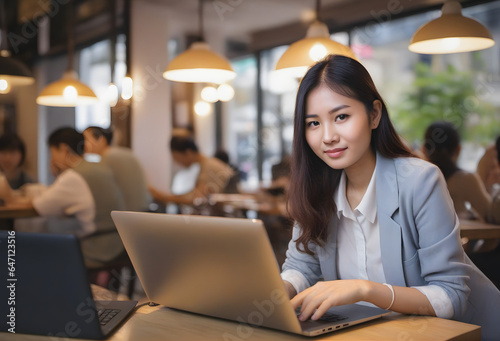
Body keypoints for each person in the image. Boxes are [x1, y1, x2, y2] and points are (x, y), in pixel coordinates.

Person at [280, 54, 500, 340]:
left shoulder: (420, 181)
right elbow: (301, 267)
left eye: (341, 117)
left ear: (374, 115)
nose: (328, 136)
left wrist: (365, 289)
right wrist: (274, 292)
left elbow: (451, 294)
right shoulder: (315, 188)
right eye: (313, 123)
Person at [15, 127, 125, 265]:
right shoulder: (97, 168)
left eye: (52, 153)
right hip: (117, 242)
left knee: (35, 237)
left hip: (96, 246)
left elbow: (39, 206)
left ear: (64, 149)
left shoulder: (73, 176)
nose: (52, 159)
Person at [422, 121, 500, 224]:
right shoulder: (465, 179)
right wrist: (485, 178)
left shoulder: (416, 179)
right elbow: (491, 216)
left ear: (424, 149)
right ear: (458, 149)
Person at [149, 135, 234, 206]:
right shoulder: (207, 164)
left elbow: (197, 199)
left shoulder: (209, 166)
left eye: (176, 157)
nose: (177, 162)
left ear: (188, 152)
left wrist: (164, 197)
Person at [83, 126, 151, 212]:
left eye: (85, 139)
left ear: (101, 140)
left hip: (127, 213)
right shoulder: (126, 153)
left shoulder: (107, 159)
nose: (83, 144)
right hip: (144, 208)